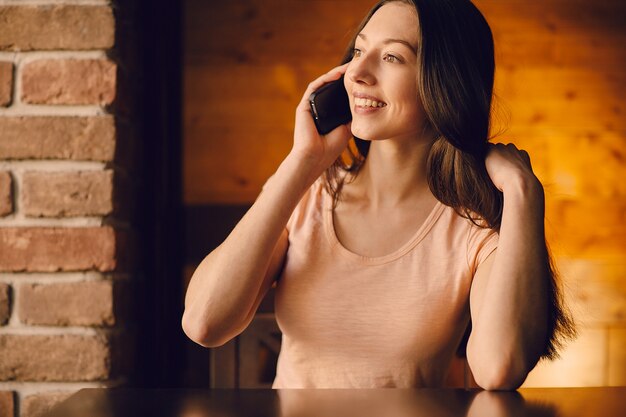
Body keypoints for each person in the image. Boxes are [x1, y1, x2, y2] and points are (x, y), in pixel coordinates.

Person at [182, 0, 575, 390]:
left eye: (391, 57)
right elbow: (204, 323)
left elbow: (499, 368)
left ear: (445, 82)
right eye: (358, 50)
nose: (358, 72)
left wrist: (524, 192)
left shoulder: (472, 231)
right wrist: (302, 161)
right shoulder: (308, 195)